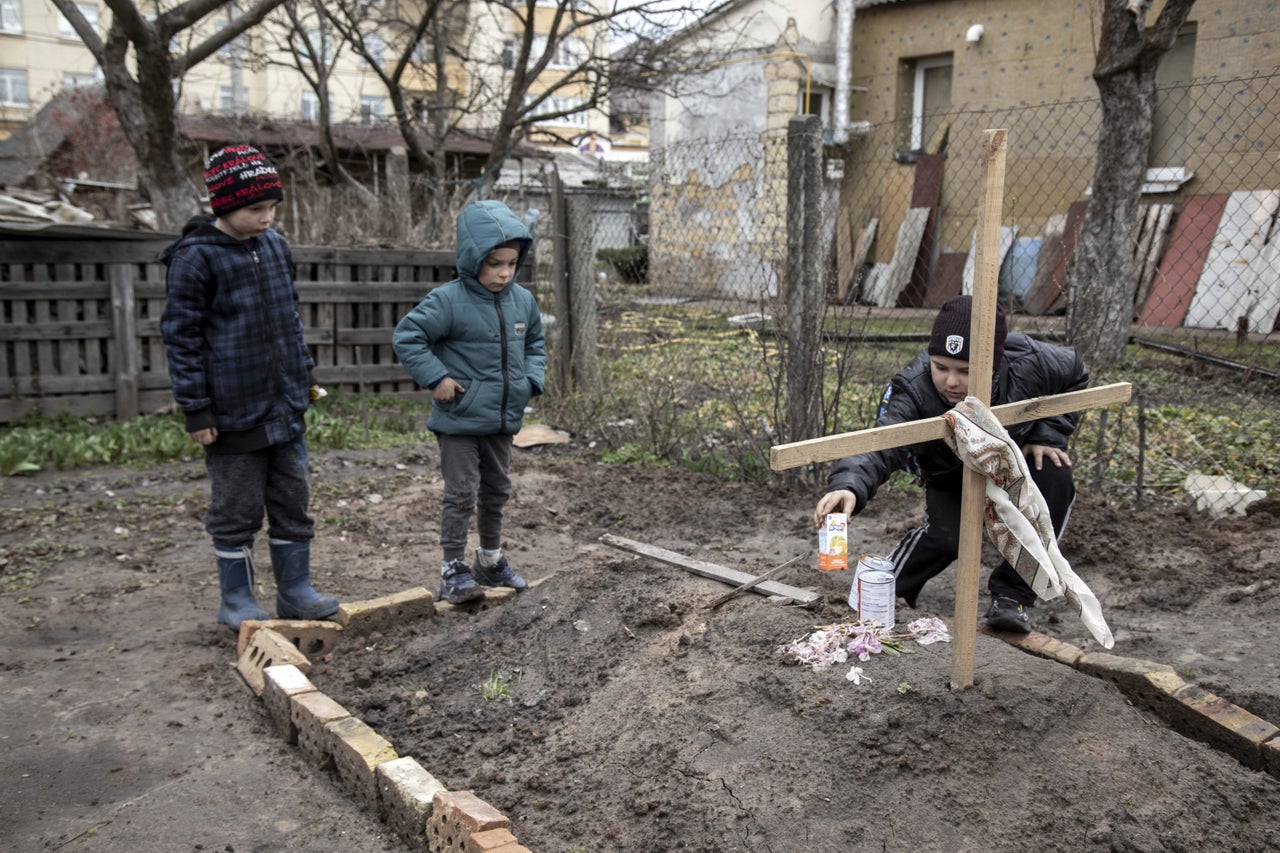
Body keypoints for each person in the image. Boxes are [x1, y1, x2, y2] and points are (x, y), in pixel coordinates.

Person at [814, 295, 1088, 633]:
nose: (951, 382)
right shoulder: (913, 389)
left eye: (966, 371)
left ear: (994, 364)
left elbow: (1076, 374)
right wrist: (848, 485)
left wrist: (1049, 434)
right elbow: (881, 442)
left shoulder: (1031, 361)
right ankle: (893, 587)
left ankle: (1012, 596)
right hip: (949, 469)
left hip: (1011, 458)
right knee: (948, 537)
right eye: (941, 367)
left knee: (1055, 479)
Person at [160, 144, 338, 631]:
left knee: (291, 501)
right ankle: (236, 600)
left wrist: (305, 375)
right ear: (223, 205)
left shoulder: (275, 247)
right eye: (254, 209)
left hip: (285, 407)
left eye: (271, 208)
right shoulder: (195, 259)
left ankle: (296, 592)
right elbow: (181, 337)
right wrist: (196, 409)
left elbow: (289, 321)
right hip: (233, 412)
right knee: (236, 507)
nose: (266, 218)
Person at [393, 200, 547, 605]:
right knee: (461, 492)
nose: (503, 273)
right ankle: (452, 569)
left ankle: (490, 560)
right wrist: (436, 377)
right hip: (459, 419)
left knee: (497, 490)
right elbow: (407, 337)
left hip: (501, 419)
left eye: (512, 264)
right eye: (494, 262)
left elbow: (535, 343)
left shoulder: (523, 302)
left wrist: (532, 379)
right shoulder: (448, 300)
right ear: (471, 257)